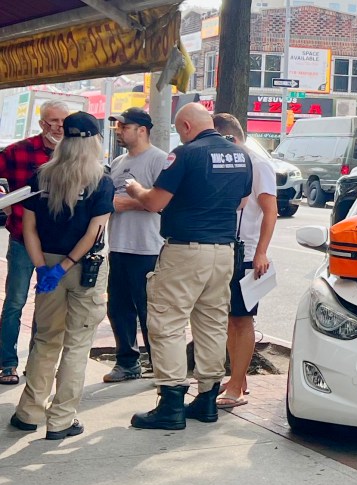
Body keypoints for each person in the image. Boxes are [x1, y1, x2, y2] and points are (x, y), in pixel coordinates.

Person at [125, 103, 252, 430]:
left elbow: (154, 203)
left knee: (166, 322)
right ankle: (207, 399)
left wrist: (136, 189)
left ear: (184, 125)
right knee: (211, 322)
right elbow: (240, 202)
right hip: (223, 252)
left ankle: (170, 404)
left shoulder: (185, 154)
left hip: (185, 251)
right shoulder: (241, 155)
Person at [8, 112, 113, 440]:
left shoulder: (43, 176)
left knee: (45, 339)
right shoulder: (102, 181)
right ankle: (61, 420)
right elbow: (94, 233)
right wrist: (65, 266)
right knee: (77, 344)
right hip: (84, 268)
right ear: (95, 140)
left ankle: (28, 412)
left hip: (49, 266)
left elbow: (29, 228)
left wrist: (44, 268)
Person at [0, 100, 69, 385]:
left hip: (56, 243)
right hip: (20, 238)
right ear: (42, 124)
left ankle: (38, 363)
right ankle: (6, 363)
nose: (58, 128)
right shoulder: (19, 151)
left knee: (48, 304)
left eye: (63, 123)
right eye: (52, 122)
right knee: (15, 302)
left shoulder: (74, 154)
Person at [211, 113, 277, 409]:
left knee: (242, 319)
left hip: (248, 253)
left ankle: (236, 385)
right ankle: (237, 379)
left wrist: (261, 251)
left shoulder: (257, 163)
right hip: (227, 249)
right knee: (229, 319)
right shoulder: (232, 161)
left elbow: (270, 210)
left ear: (230, 138)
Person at [103, 108, 167, 383]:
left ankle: (160, 363)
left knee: (148, 309)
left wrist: (127, 203)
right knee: (118, 307)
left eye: (124, 126)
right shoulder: (118, 162)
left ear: (142, 130)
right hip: (118, 245)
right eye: (118, 127)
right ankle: (127, 362)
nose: (119, 131)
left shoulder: (159, 160)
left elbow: (164, 203)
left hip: (148, 248)